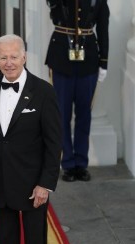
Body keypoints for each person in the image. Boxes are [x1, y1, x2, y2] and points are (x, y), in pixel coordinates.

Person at [0, 34, 62, 244]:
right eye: (3, 57)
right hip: (0, 183)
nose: (9, 62)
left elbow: (54, 142)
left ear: (24, 57)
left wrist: (45, 184)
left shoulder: (44, 91)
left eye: (14, 56)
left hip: (33, 185)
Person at [45, 0, 110, 182]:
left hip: (88, 59)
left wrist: (104, 61)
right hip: (61, 58)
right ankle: (67, 164)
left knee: (84, 114)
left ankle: (81, 164)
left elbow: (103, 29)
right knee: (62, 114)